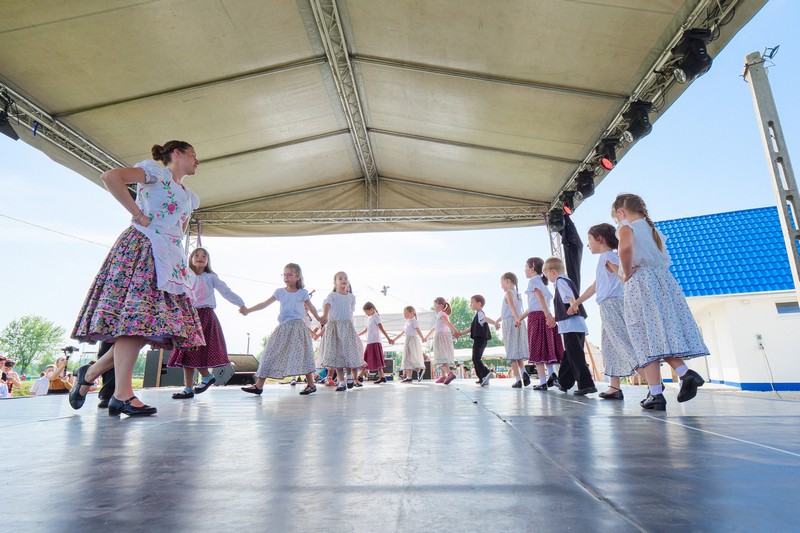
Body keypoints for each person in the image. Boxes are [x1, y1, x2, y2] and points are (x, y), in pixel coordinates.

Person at [69, 140, 204, 417]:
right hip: (143, 248)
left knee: (146, 326)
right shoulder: (156, 173)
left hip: (168, 258)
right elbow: (111, 177)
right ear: (176, 154)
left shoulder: (190, 196)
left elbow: (179, 229)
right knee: (136, 322)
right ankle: (122, 394)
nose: (197, 160)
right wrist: (139, 215)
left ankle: (90, 373)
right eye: (193, 155)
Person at [609, 193, 709, 410]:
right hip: (663, 282)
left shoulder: (626, 227)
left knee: (642, 336)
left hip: (641, 283)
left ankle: (662, 388)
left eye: (616, 219)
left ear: (621, 213)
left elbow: (625, 249)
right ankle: (670, 382)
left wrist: (625, 272)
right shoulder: (653, 231)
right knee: (656, 335)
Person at [569, 224, 639, 400]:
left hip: (611, 304)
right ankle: (614, 387)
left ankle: (652, 381)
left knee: (621, 343)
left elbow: (622, 275)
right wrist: (576, 302)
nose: (588, 244)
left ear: (600, 239)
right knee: (610, 347)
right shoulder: (605, 259)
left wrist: (627, 275)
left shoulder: (608, 258)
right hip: (607, 305)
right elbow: (595, 286)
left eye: (590, 240)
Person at [168, 247, 247, 399]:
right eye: (196, 255)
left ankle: (205, 377)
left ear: (208, 261)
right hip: (188, 315)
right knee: (186, 352)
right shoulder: (185, 274)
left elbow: (226, 291)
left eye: (204, 256)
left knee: (193, 350)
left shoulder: (211, 277)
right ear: (190, 259)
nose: (200, 258)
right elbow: (175, 289)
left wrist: (241, 304)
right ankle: (189, 388)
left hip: (205, 315)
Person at [240, 263, 325, 396]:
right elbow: (264, 304)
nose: (286, 277)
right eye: (284, 275)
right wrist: (248, 310)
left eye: (289, 275)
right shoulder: (279, 292)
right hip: (283, 328)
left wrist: (319, 318)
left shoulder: (302, 293)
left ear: (297, 277)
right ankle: (259, 385)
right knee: (269, 353)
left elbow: (312, 308)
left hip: (298, 327)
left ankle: (311, 384)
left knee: (303, 354)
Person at [543, 257, 597, 396]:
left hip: (571, 325)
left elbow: (569, 296)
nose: (548, 278)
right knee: (570, 354)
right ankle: (564, 382)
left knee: (576, 355)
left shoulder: (560, 281)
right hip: (575, 324)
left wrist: (573, 306)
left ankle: (586, 385)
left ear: (552, 271)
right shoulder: (567, 280)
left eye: (547, 275)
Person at [317, 272, 365, 392]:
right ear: (335, 282)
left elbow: (350, 311)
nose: (343, 280)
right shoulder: (332, 295)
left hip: (347, 327)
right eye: (340, 278)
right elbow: (327, 305)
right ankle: (341, 382)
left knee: (347, 353)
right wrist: (325, 315)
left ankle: (349, 376)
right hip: (335, 328)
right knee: (337, 355)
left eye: (345, 278)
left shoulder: (351, 297)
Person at [524, 257, 563, 390]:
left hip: (537, 317)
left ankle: (542, 382)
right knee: (545, 348)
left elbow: (540, 299)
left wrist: (547, 317)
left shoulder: (533, 282)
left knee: (537, 349)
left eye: (526, 267)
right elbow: (533, 305)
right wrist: (520, 318)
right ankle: (551, 375)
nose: (524, 270)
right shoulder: (542, 282)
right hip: (544, 315)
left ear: (532, 268)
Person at [497, 273, 530, 388]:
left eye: (502, 283)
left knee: (511, 352)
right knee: (518, 351)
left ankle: (518, 380)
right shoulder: (518, 295)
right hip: (518, 321)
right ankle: (524, 372)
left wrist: (517, 320)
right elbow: (510, 310)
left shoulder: (508, 293)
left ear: (507, 281)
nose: (501, 286)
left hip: (511, 323)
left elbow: (511, 307)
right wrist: (497, 320)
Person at [456, 295, 498, 387]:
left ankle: (486, 373)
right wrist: (460, 333)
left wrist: (495, 323)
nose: (470, 304)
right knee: (475, 358)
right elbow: (471, 328)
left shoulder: (480, 313)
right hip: (480, 339)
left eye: (472, 302)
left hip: (480, 338)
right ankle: (481, 377)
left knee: (476, 358)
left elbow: (486, 319)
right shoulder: (477, 315)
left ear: (479, 303)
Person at [423, 297, 460, 384]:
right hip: (445, 338)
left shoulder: (441, 314)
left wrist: (455, 330)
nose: (434, 308)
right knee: (443, 358)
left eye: (435, 306)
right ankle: (443, 377)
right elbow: (434, 328)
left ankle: (450, 374)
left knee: (440, 357)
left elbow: (447, 323)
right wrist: (426, 337)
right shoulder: (441, 314)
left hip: (440, 338)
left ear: (440, 305)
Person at [359, 302, 394, 384]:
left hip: (375, 341)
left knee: (369, 359)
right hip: (370, 341)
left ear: (372, 309)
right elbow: (366, 330)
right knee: (370, 359)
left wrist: (388, 338)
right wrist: (358, 335)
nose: (366, 314)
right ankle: (382, 376)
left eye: (366, 312)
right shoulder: (369, 318)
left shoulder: (376, 317)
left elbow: (381, 328)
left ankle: (360, 376)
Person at [393, 306, 426, 382]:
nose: (405, 315)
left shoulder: (414, 321)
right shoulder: (407, 323)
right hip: (407, 341)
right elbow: (401, 333)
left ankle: (419, 370)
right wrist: (393, 340)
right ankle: (409, 377)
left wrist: (422, 338)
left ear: (412, 313)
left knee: (413, 357)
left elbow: (417, 330)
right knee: (407, 358)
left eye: (406, 313)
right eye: (404, 314)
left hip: (412, 341)